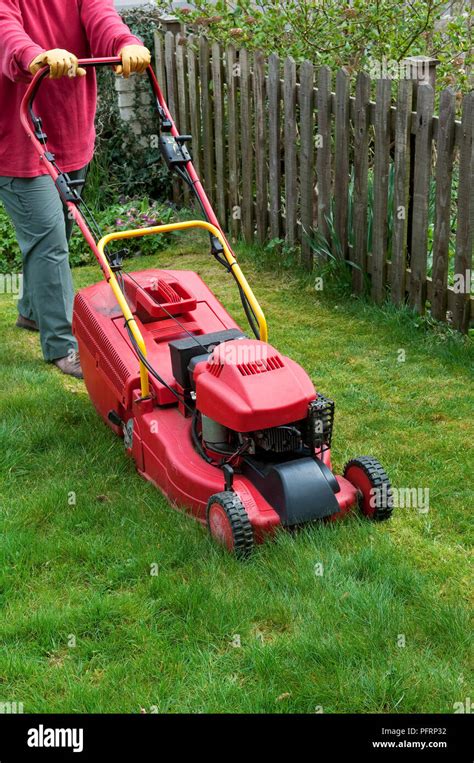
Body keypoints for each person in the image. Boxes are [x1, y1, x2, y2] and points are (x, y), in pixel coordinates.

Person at [0, 0, 151, 378]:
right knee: (50, 245)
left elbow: (101, 18)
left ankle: (32, 313)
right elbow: (8, 35)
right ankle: (63, 346)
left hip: (70, 137)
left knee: (59, 233)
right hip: (18, 142)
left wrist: (124, 43)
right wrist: (35, 56)